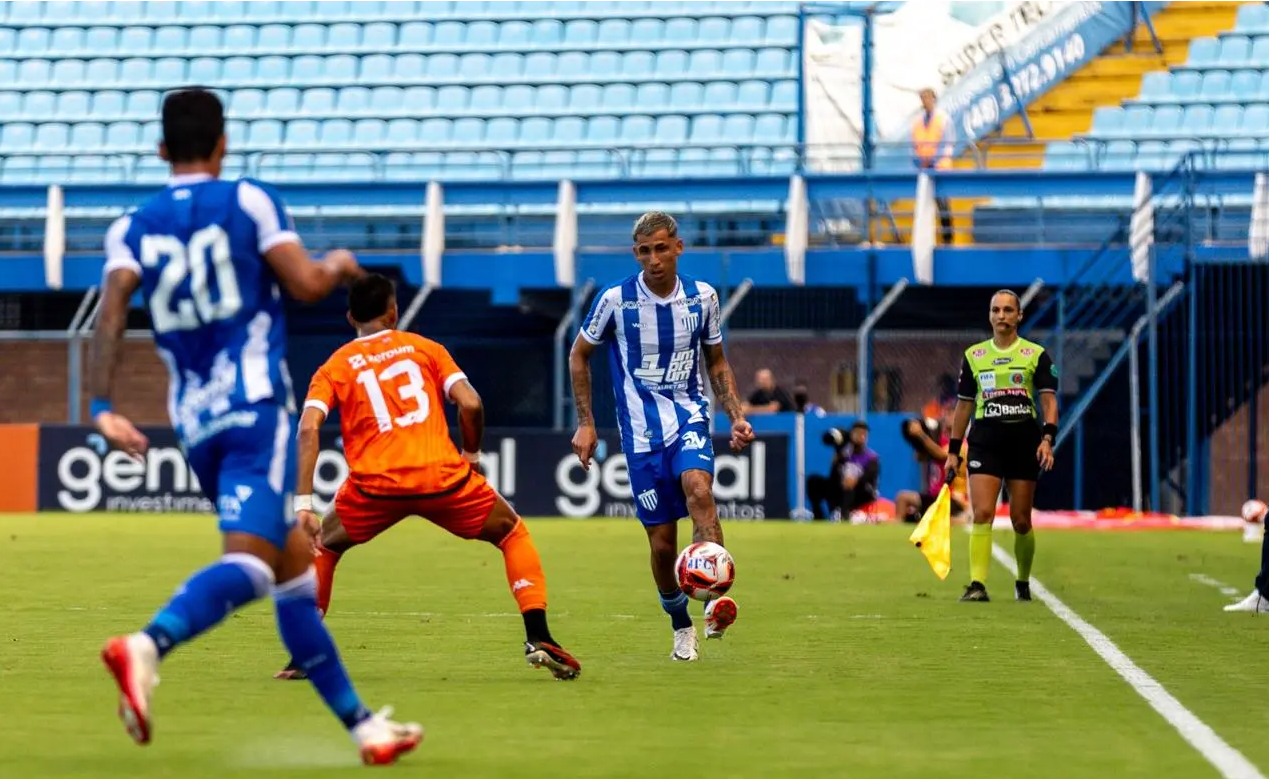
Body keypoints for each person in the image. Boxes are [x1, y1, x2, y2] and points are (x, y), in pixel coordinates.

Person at [87, 89, 421, 764]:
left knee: (295, 578)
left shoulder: (130, 227)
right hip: (255, 405)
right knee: (251, 561)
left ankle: (364, 728)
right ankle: (146, 644)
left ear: (160, 151)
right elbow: (302, 284)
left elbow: (113, 308)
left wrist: (100, 405)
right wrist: (336, 265)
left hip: (196, 421)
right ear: (222, 145)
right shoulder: (249, 200)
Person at [273, 273, 580, 681]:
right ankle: (538, 634)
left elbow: (309, 428)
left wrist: (304, 504)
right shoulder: (425, 348)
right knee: (511, 533)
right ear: (393, 311)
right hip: (443, 479)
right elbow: (470, 403)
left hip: (374, 488)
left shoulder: (334, 367)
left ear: (350, 318)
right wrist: (471, 456)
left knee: (324, 547)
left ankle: (305, 657)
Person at [568, 211, 755, 662]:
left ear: (678, 247)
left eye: (661, 248)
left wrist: (735, 414)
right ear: (637, 254)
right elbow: (579, 355)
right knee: (662, 544)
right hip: (640, 434)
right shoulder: (615, 301)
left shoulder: (703, 297)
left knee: (699, 490)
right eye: (645, 251)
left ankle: (714, 602)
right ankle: (680, 623)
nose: (654, 259)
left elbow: (716, 362)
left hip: (690, 416)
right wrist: (586, 422)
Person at [944, 290, 1059, 603]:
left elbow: (1049, 402)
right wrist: (954, 452)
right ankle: (977, 584)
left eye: (1009, 310)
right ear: (990, 315)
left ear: (1019, 316)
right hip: (986, 442)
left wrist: (1048, 438)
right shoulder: (974, 357)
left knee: (1021, 520)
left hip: (1024, 442)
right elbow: (964, 408)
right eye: (996, 310)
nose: (1002, 316)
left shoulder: (1036, 355)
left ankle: (1022, 580)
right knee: (982, 513)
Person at [895, 414, 968, 524]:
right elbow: (919, 457)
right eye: (948, 414)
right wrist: (916, 440)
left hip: (953, 497)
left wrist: (920, 433)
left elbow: (942, 455)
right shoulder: (939, 440)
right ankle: (897, 530)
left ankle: (963, 519)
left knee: (935, 520)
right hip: (935, 496)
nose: (948, 418)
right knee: (902, 498)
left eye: (953, 414)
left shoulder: (961, 444)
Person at [806, 421, 880, 520]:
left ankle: (844, 517)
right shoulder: (843, 451)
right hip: (840, 488)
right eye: (858, 433)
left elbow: (869, 477)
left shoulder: (871, 457)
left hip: (862, 491)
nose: (861, 436)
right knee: (813, 481)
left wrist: (856, 480)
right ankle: (818, 515)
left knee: (849, 484)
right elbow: (828, 438)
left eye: (864, 434)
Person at [911, 87, 954, 245]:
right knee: (924, 206)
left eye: (927, 98)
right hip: (924, 170)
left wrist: (933, 160)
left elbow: (947, 145)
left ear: (934, 99)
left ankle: (947, 239)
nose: (925, 101)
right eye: (922, 98)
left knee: (943, 205)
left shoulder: (943, 120)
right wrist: (920, 161)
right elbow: (913, 146)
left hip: (940, 170)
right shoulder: (917, 123)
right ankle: (925, 241)